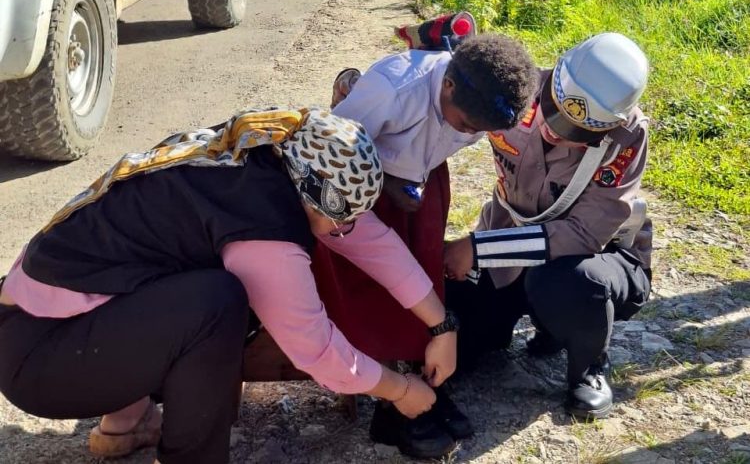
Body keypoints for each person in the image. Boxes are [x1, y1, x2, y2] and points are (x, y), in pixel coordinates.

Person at [0, 107, 459, 464]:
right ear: (313, 197)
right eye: (338, 222)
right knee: (218, 303)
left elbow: (368, 239)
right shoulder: (262, 232)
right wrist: (402, 390)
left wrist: (441, 325)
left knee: (195, 282)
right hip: (43, 361)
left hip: (42, 325)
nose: (343, 233)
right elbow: (316, 352)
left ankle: (127, 420)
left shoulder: (269, 150)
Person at [312, 26, 537, 457]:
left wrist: (414, 179)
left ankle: (423, 372)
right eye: (467, 124)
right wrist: (388, 182)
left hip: (422, 186)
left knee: (424, 274)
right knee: (374, 287)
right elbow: (332, 162)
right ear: (446, 84)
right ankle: (393, 391)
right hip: (363, 195)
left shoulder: (479, 98)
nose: (470, 132)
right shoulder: (394, 91)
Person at [443, 32, 652, 420]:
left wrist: (477, 248)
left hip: (592, 262)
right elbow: (446, 104)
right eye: (554, 111)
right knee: (457, 332)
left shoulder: (626, 137)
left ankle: (589, 367)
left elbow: (585, 234)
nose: (556, 130)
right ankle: (539, 325)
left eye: (578, 130)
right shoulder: (514, 90)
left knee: (565, 284)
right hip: (508, 253)